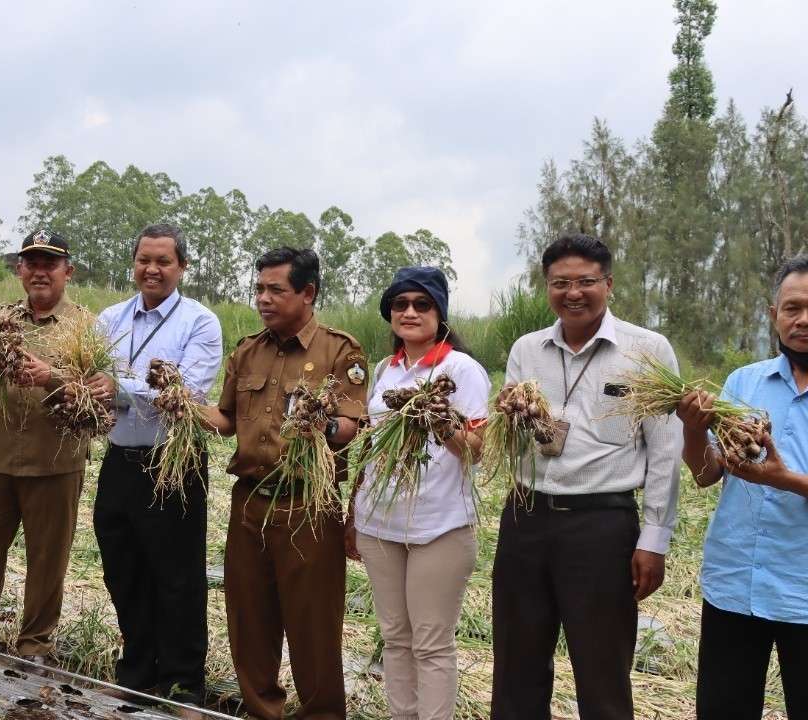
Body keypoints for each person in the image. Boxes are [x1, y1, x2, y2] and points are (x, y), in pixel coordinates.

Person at [491, 234, 682, 720]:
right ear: (547, 286)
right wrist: (506, 417)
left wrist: (654, 539)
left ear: (608, 284)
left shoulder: (647, 349)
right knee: (516, 665)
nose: (573, 293)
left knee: (602, 670)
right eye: (560, 283)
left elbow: (665, 449)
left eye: (585, 282)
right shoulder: (527, 349)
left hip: (602, 525)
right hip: (526, 518)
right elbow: (510, 440)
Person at [198, 247, 367, 720]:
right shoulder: (248, 349)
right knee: (249, 621)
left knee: (313, 626)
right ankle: (261, 711)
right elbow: (227, 419)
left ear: (307, 293)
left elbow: (349, 426)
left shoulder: (340, 350)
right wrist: (183, 407)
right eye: (259, 289)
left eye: (276, 290)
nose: (263, 299)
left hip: (307, 508)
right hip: (250, 503)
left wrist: (321, 424)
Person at [344, 267, 489, 720]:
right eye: (400, 304)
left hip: (438, 526)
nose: (409, 312)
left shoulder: (460, 369)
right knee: (394, 637)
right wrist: (354, 512)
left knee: (430, 643)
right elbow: (370, 447)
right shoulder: (385, 369)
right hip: (380, 524)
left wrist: (439, 420)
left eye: (421, 304)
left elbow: (476, 451)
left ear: (439, 313)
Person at [0, 230, 107, 663]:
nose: (40, 271)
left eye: (50, 263)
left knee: (47, 559)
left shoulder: (86, 326)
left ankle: (35, 644)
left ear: (68, 271)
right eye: (32, 263)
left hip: (55, 461)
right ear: (20, 270)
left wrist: (52, 376)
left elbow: (98, 394)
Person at [94, 224, 223, 705]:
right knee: (121, 565)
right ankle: (139, 662)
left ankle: (183, 678)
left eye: (163, 261)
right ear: (134, 262)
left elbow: (186, 392)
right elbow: (91, 373)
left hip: (173, 462)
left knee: (177, 574)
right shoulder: (110, 318)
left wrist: (119, 391)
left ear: (181, 267)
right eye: (144, 259)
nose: (152, 269)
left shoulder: (200, 322)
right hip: (120, 457)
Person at [677, 255, 808, 719]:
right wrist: (693, 430)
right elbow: (707, 473)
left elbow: (780, 478)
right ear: (773, 315)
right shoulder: (743, 382)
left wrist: (786, 480)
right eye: (792, 308)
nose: (803, 319)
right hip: (735, 585)